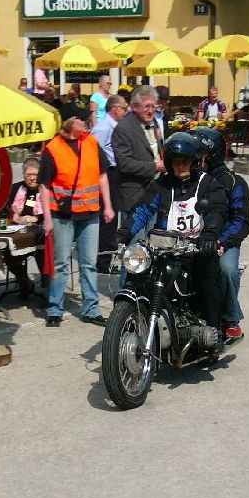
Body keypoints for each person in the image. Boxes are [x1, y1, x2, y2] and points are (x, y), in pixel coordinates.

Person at [118, 132, 229, 345]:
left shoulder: (209, 184)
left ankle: (213, 330)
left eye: (184, 161)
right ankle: (130, 320)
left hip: (196, 249)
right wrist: (124, 233)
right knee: (138, 277)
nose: (180, 166)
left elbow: (217, 211)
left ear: (194, 161)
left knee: (206, 281)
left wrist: (209, 235)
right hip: (164, 249)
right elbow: (142, 210)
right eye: (175, 162)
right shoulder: (160, 186)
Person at [39, 117, 115, 327]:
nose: (86, 122)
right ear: (71, 123)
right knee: (61, 264)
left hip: (89, 213)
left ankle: (91, 310)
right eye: (81, 120)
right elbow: (44, 186)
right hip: (62, 215)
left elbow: (102, 175)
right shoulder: (53, 148)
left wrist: (108, 206)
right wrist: (47, 218)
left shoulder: (91, 142)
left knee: (89, 263)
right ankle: (55, 310)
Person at [191, 126, 249, 343]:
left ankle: (230, 319)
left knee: (226, 270)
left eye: (199, 154)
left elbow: (242, 220)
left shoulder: (234, 182)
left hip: (223, 240)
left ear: (212, 154)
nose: (194, 158)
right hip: (191, 238)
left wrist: (222, 241)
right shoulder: (189, 179)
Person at [111, 85, 166, 237]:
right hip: (134, 196)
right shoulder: (124, 128)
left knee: (154, 241)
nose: (150, 110)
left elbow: (157, 150)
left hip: (155, 194)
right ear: (134, 107)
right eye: (146, 106)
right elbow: (124, 164)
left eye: (153, 106)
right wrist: (155, 167)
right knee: (134, 245)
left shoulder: (153, 123)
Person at [90, 95, 128, 272]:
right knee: (107, 218)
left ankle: (106, 258)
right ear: (115, 109)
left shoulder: (115, 127)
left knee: (112, 218)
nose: (126, 111)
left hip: (115, 174)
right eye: (124, 108)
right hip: (106, 175)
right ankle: (102, 262)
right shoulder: (103, 128)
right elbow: (92, 153)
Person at [4, 157, 44, 298]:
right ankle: (25, 282)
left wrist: (36, 219)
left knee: (42, 253)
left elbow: (51, 212)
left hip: (41, 234)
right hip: (18, 233)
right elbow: (5, 209)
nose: (32, 178)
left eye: (35, 175)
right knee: (9, 254)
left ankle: (49, 290)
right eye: (29, 175)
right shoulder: (15, 188)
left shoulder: (46, 189)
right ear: (23, 175)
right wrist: (12, 215)